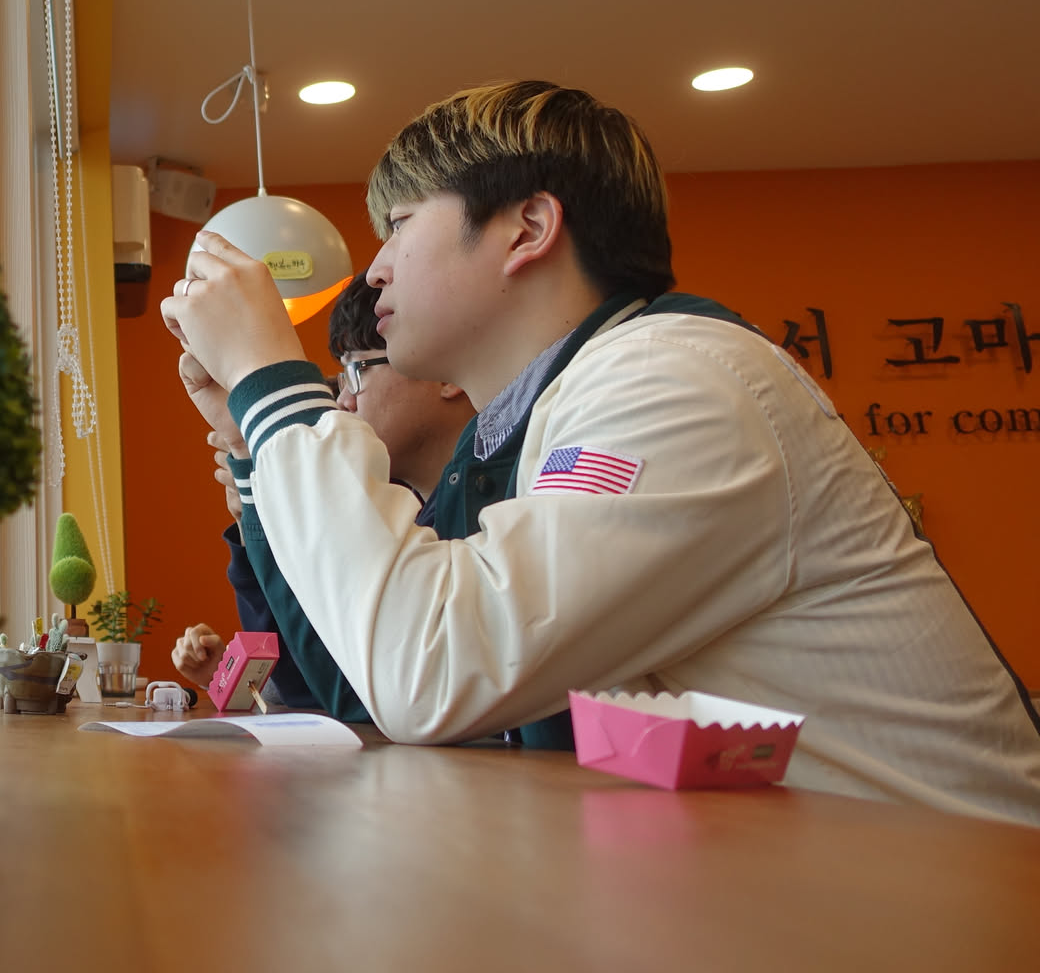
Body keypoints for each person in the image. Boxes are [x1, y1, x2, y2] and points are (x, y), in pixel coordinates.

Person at [163, 81, 1040, 824]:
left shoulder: (674, 381)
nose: (375, 271)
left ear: (528, 227)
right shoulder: (541, 418)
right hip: (799, 878)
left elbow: (429, 671)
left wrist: (270, 379)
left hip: (956, 890)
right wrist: (247, 436)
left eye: (399, 224)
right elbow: (368, 676)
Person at [172, 275, 473, 710]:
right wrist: (243, 453)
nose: (344, 401)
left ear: (445, 370)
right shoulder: (415, 510)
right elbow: (316, 680)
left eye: (356, 371)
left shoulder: (477, 512)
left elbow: (347, 695)